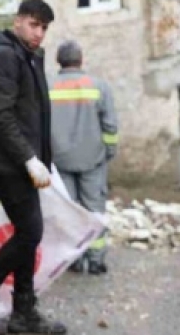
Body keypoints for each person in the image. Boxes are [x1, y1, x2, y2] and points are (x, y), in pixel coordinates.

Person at [0, 0, 66, 335]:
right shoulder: (4, 56)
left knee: (28, 233)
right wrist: (29, 158)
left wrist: (41, 158)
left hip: (19, 159)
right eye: (33, 24)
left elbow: (30, 114)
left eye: (44, 28)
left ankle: (23, 313)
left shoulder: (27, 55)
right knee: (30, 231)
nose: (39, 33)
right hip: (4, 160)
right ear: (17, 21)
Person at [49, 41, 117, 275]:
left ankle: (74, 260)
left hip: (59, 160)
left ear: (59, 61)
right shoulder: (99, 86)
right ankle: (96, 260)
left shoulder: (46, 87)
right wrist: (108, 152)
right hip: (92, 160)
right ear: (81, 60)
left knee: (69, 212)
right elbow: (110, 126)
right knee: (94, 209)